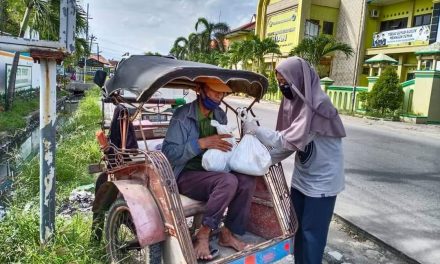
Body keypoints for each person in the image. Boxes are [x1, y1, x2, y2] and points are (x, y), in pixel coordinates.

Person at [244, 56, 346, 264]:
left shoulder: (318, 105)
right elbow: (289, 146)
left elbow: (287, 140)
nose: (283, 88)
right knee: (297, 230)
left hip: (323, 183)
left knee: (312, 234)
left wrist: (256, 131)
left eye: (285, 83)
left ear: (298, 79)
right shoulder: (295, 103)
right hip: (302, 179)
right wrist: (263, 161)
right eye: (280, 83)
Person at [161, 77, 256, 261]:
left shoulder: (219, 114)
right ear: (199, 89)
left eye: (221, 93)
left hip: (212, 171)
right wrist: (201, 143)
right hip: (185, 174)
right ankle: (203, 234)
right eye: (214, 91)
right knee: (228, 181)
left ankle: (227, 233)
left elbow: (224, 146)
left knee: (247, 179)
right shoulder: (182, 116)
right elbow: (169, 153)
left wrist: (231, 142)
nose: (218, 97)